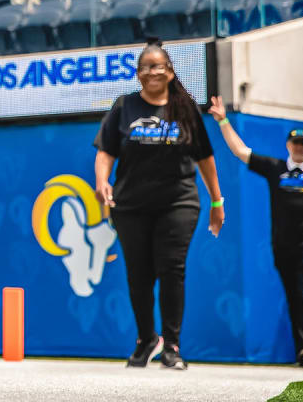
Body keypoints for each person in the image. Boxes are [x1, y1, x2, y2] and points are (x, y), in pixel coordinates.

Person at [94, 41, 225, 371]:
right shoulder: (124, 106)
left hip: (178, 201)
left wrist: (216, 200)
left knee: (171, 269)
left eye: (159, 66)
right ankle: (146, 339)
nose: (152, 71)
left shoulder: (186, 108)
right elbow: (106, 151)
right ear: (138, 74)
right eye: (146, 66)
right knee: (139, 275)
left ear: (170, 71)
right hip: (131, 204)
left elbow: (204, 158)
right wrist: (102, 181)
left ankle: (172, 345)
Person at [209, 97, 303, 366]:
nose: (300, 147)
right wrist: (223, 120)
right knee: (294, 299)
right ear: (288, 145)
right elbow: (240, 151)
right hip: (283, 249)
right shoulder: (276, 169)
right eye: (296, 143)